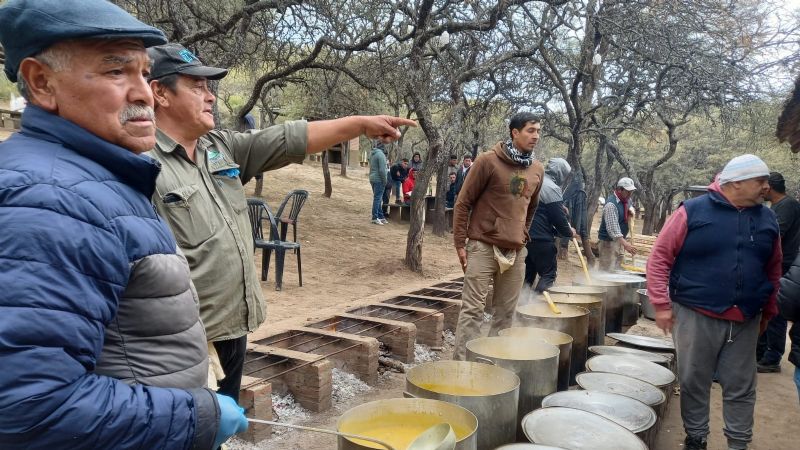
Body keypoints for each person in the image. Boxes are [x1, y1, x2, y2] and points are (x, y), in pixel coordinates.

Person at [0, 1, 247, 448]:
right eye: (116, 71)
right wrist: (197, 417)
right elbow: (30, 408)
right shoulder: (53, 200)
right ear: (41, 82)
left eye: (144, 74)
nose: (144, 95)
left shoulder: (95, 176)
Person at [146, 42, 416, 402]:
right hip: (185, 343)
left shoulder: (219, 147)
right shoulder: (142, 162)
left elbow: (288, 139)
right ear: (160, 93)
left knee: (221, 424)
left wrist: (360, 124)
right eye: (196, 87)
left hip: (232, 330)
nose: (210, 96)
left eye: (209, 87)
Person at [647, 154, 781, 450]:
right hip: (695, 313)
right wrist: (661, 304)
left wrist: (769, 311)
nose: (766, 186)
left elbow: (774, 268)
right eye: (760, 180)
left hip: (746, 318)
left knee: (741, 386)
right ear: (736, 183)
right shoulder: (692, 211)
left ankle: (738, 444)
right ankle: (696, 438)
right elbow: (659, 258)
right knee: (694, 381)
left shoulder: (767, 218)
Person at [452, 112, 544, 360]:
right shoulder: (488, 161)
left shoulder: (537, 169)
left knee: (506, 314)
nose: (536, 136)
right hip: (482, 246)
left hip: (516, 251)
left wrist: (521, 233)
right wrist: (460, 243)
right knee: (473, 311)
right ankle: (463, 367)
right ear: (515, 132)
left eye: (538, 131)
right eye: (530, 130)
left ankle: (492, 366)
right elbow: (463, 202)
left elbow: (531, 207)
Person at [755, 172, 800, 372]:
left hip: (784, 266)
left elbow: (775, 235)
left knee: (776, 312)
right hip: (777, 264)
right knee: (767, 310)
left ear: (771, 187)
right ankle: (762, 352)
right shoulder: (777, 206)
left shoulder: (788, 206)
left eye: (764, 185)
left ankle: (772, 357)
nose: (762, 189)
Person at [525, 158, 576, 292]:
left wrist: (559, 207)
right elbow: (558, 220)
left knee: (527, 276)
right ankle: (538, 303)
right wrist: (569, 232)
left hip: (524, 237)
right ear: (560, 173)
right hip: (541, 239)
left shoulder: (534, 180)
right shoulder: (551, 187)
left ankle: (521, 303)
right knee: (548, 275)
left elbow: (540, 208)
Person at [597, 177, 638, 271]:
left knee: (617, 269)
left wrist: (630, 213)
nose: (630, 194)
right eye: (628, 191)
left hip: (620, 241)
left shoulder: (627, 200)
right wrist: (626, 244)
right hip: (608, 243)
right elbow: (613, 230)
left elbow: (630, 208)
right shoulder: (611, 205)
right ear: (620, 189)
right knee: (606, 270)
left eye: (631, 191)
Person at [368, 142, 389, 224]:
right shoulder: (381, 155)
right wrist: (385, 181)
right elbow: (382, 170)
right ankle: (375, 217)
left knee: (378, 198)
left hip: (372, 178)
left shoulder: (372, 154)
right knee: (377, 198)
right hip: (379, 179)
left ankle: (381, 216)